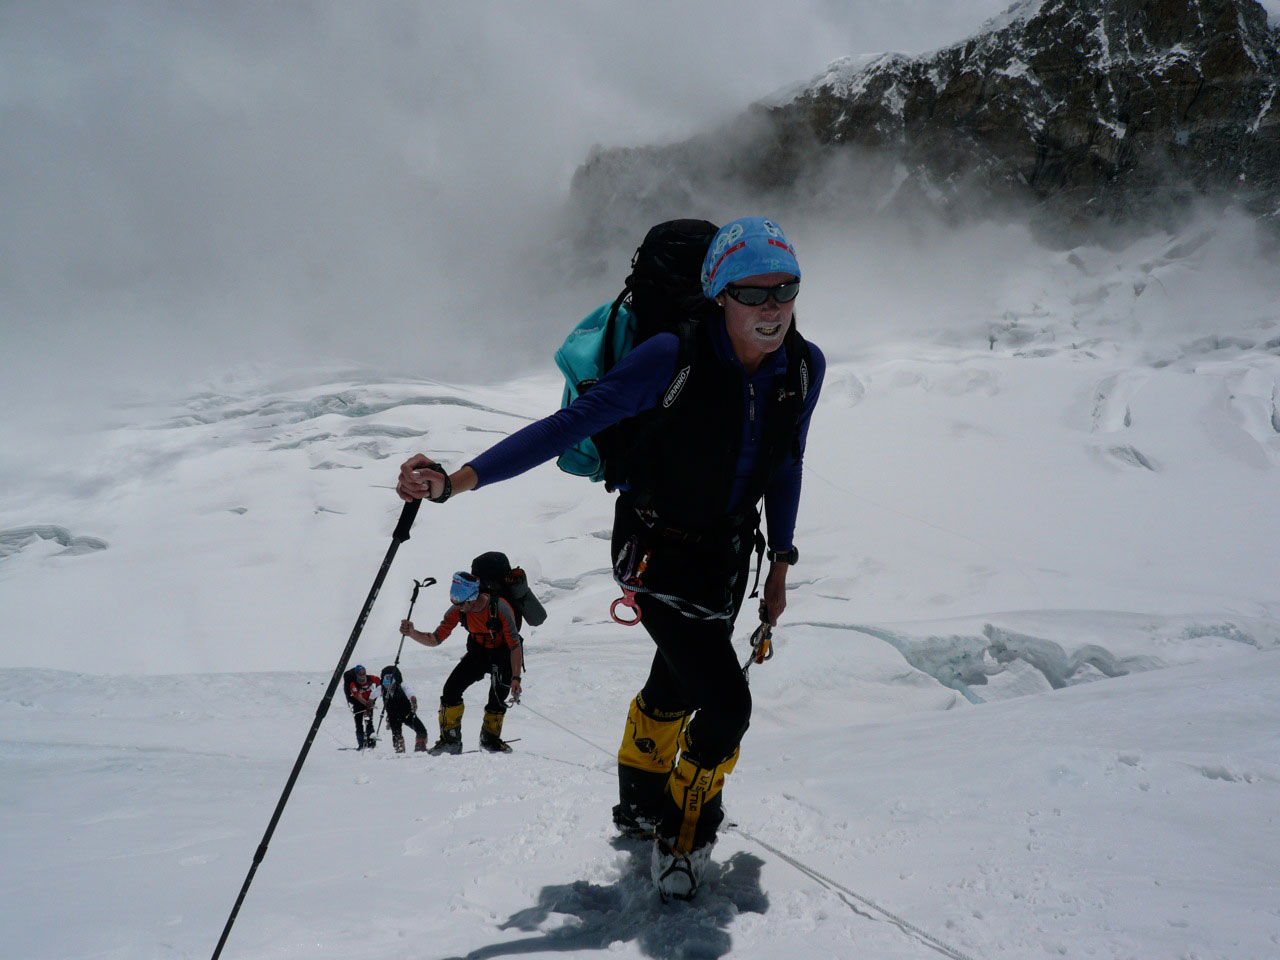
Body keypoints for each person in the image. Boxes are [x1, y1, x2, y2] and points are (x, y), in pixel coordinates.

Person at [395, 216, 825, 900]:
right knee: (727, 704)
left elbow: (786, 463)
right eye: (751, 291)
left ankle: (634, 798)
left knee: (680, 683)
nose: (771, 306)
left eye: (786, 287)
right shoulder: (668, 356)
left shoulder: (802, 367)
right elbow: (566, 427)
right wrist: (455, 483)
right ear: (718, 291)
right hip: (654, 554)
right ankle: (683, 834)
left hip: (728, 558)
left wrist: (779, 563)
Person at [399, 570, 525, 754]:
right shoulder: (458, 610)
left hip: (503, 654)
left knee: (497, 697)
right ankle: (450, 741)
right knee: (451, 690)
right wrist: (413, 633)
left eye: (460, 603)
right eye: (455, 603)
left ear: (472, 599)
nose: (457, 607)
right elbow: (435, 639)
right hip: (478, 652)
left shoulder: (501, 608)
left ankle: (490, 740)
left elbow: (514, 645)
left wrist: (516, 678)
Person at [378, 664, 429, 753]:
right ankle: (399, 747)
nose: (389, 687)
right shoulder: (381, 689)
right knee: (397, 734)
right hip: (394, 716)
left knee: (421, 730)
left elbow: (410, 693)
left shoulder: (401, 686)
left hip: (406, 714)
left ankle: (420, 746)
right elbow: (371, 697)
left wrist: (413, 701)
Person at [344, 664, 381, 750]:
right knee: (359, 724)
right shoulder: (353, 684)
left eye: (364, 673)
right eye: (360, 674)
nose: (363, 675)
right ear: (356, 674)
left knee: (369, 722)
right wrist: (367, 703)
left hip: (369, 703)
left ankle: (371, 743)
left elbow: (379, 681)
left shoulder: (370, 678)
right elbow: (357, 696)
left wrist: (377, 692)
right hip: (358, 705)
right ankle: (361, 744)